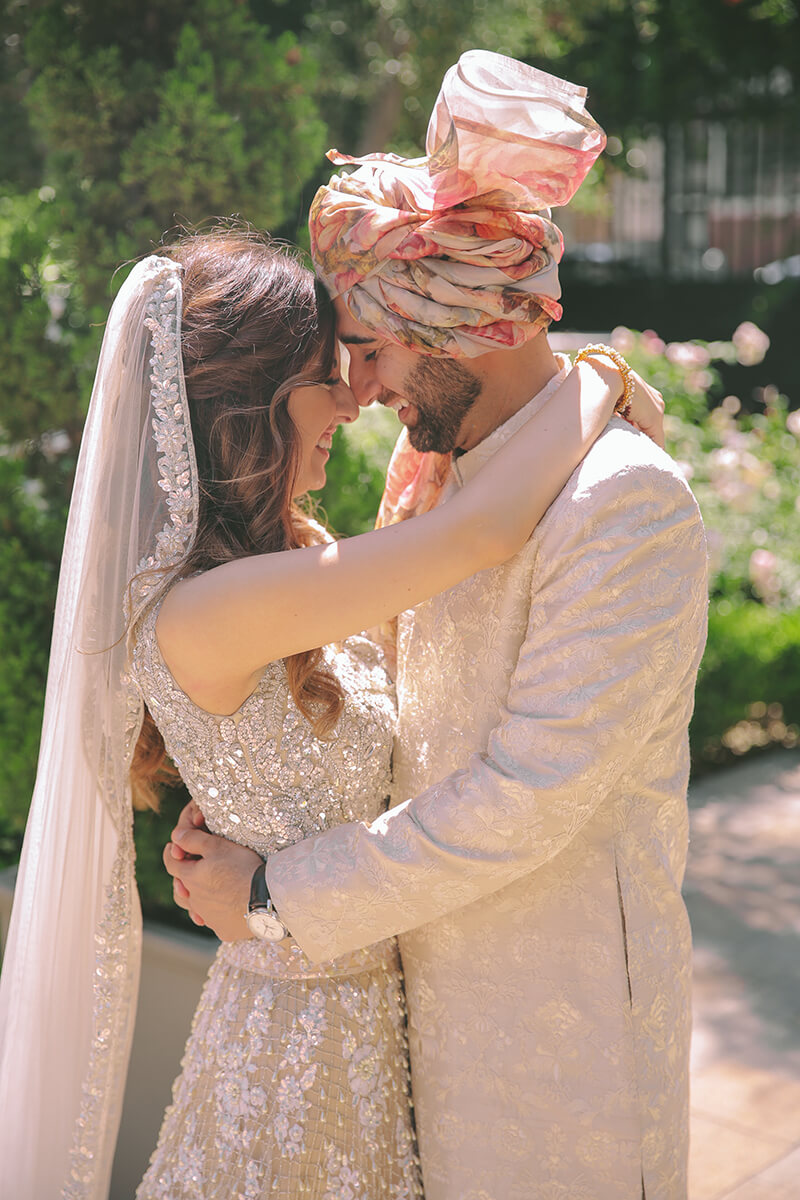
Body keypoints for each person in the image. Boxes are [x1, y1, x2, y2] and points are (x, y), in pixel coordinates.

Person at [0, 217, 656, 1200]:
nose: (354, 399)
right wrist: (593, 377)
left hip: (379, 1028)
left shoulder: (286, 558)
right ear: (249, 409)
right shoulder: (207, 608)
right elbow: (479, 534)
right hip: (288, 1056)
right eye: (325, 374)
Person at [166, 52, 709, 1200]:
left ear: (462, 323)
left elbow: (528, 789)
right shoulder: (435, 477)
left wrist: (276, 895)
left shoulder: (624, 502)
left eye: (368, 347)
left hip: (555, 1039)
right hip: (396, 1011)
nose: (357, 389)